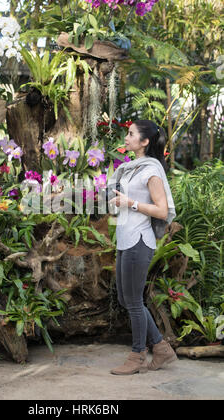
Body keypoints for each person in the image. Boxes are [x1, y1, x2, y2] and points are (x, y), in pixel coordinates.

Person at [108, 120, 178, 375]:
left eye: (131, 134)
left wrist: (131, 203)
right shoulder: (130, 169)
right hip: (125, 238)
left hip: (140, 239)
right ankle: (161, 349)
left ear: (145, 141)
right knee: (126, 299)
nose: (126, 138)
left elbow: (161, 210)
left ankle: (138, 355)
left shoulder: (151, 169)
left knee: (135, 301)